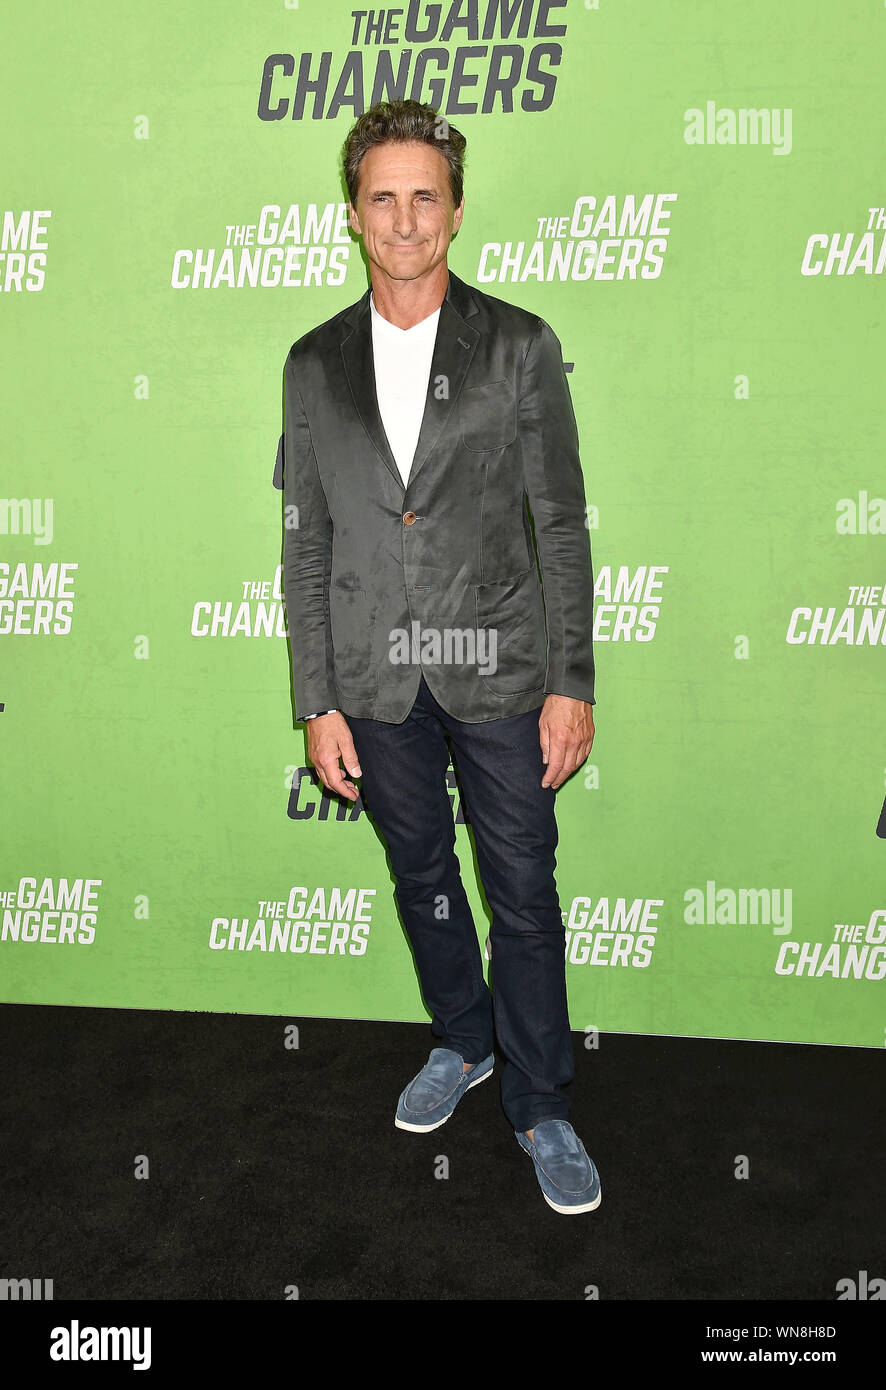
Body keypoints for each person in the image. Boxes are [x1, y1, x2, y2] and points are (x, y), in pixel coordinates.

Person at [281, 99, 600, 1214]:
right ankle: (463, 1040)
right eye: (384, 197)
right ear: (356, 215)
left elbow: (558, 522)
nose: (405, 218)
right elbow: (306, 540)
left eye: (426, 195)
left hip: (504, 668)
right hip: (375, 678)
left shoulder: (517, 344)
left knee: (521, 887)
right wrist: (315, 698)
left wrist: (572, 680)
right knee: (421, 878)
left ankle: (543, 1099)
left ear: (455, 211)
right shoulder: (313, 362)